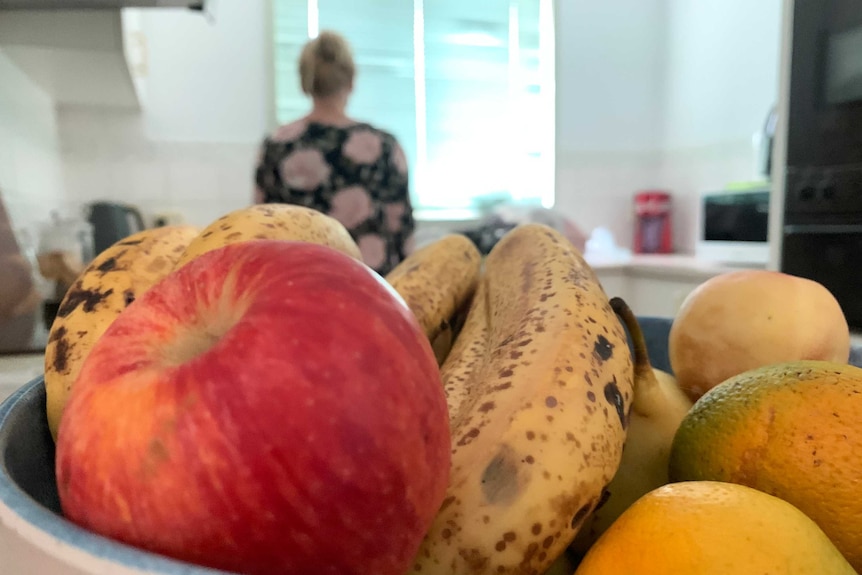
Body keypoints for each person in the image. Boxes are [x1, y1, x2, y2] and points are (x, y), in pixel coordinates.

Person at [254, 30, 415, 276]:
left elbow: (262, 229)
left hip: (300, 285)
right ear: (351, 79)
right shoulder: (384, 146)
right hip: (374, 288)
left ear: (305, 83)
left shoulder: (277, 145)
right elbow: (402, 229)